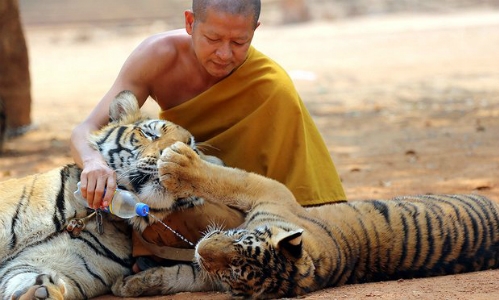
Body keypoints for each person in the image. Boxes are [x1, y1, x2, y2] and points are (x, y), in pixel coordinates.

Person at [70, 0, 346, 272]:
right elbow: (85, 129)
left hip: (244, 202)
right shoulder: (157, 57)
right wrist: (93, 162)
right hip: (180, 181)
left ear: (255, 29)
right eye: (213, 38)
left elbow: (299, 192)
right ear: (190, 22)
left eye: (239, 42)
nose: (224, 54)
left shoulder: (272, 87)